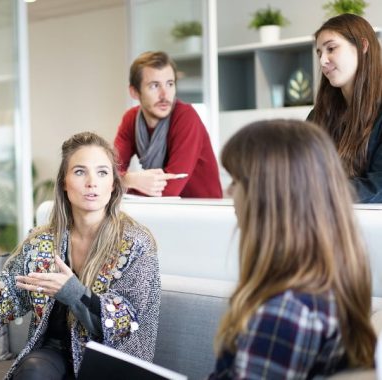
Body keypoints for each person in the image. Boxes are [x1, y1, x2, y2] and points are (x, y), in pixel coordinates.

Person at [0, 132, 160, 379]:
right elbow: (1, 299)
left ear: (114, 183)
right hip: (54, 356)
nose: (92, 182)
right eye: (80, 172)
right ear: (64, 182)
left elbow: (125, 323)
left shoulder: (137, 243)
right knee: (33, 371)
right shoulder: (42, 241)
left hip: (110, 361)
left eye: (102, 172)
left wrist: (73, 292)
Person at [210, 120, 376, 378]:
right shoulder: (327, 287)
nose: (229, 192)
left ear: (268, 196)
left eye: (236, 181)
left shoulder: (285, 314)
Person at [113, 51, 222, 198]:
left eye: (170, 84)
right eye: (154, 86)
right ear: (134, 92)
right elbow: (108, 173)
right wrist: (130, 179)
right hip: (163, 210)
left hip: (202, 211)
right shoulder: (131, 119)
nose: (165, 95)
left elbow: (169, 190)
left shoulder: (186, 116)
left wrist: (124, 182)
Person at [309, 14, 382, 202]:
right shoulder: (318, 114)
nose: (323, 61)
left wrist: (318, 195)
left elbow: (378, 186)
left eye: (331, 48)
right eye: (319, 53)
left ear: (362, 46)